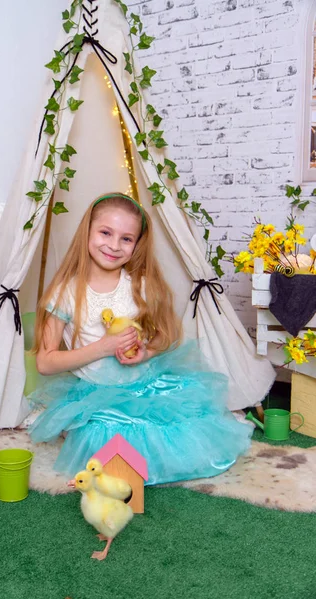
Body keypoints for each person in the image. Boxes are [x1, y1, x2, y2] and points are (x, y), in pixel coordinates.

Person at [28, 192, 252, 485]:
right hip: (97, 392)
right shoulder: (66, 293)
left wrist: (144, 353)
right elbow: (46, 363)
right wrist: (104, 347)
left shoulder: (139, 286)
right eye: (105, 232)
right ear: (87, 232)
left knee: (180, 425)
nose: (114, 245)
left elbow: (164, 338)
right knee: (108, 441)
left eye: (126, 238)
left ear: (136, 245)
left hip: (144, 385)